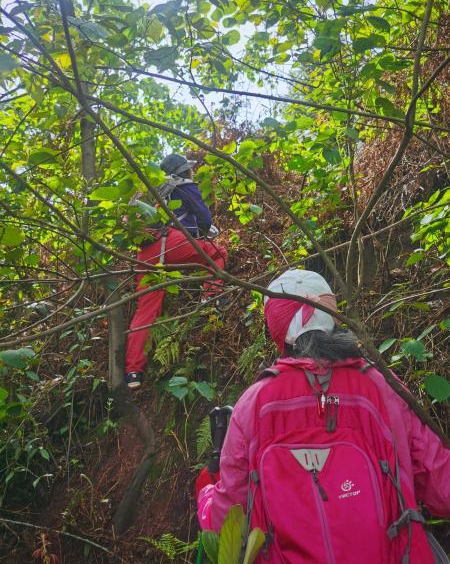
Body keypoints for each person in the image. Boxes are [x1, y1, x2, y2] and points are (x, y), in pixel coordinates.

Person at [196, 269, 450, 563]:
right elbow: (442, 488)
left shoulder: (254, 403)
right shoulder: (382, 387)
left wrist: (205, 497)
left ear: (277, 329)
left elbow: (228, 520)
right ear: (333, 317)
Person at [124, 154, 227, 389]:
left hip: (147, 251)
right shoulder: (185, 186)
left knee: (146, 309)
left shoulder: (157, 193)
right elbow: (204, 219)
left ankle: (133, 372)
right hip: (172, 243)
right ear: (183, 171)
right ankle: (211, 297)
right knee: (217, 253)